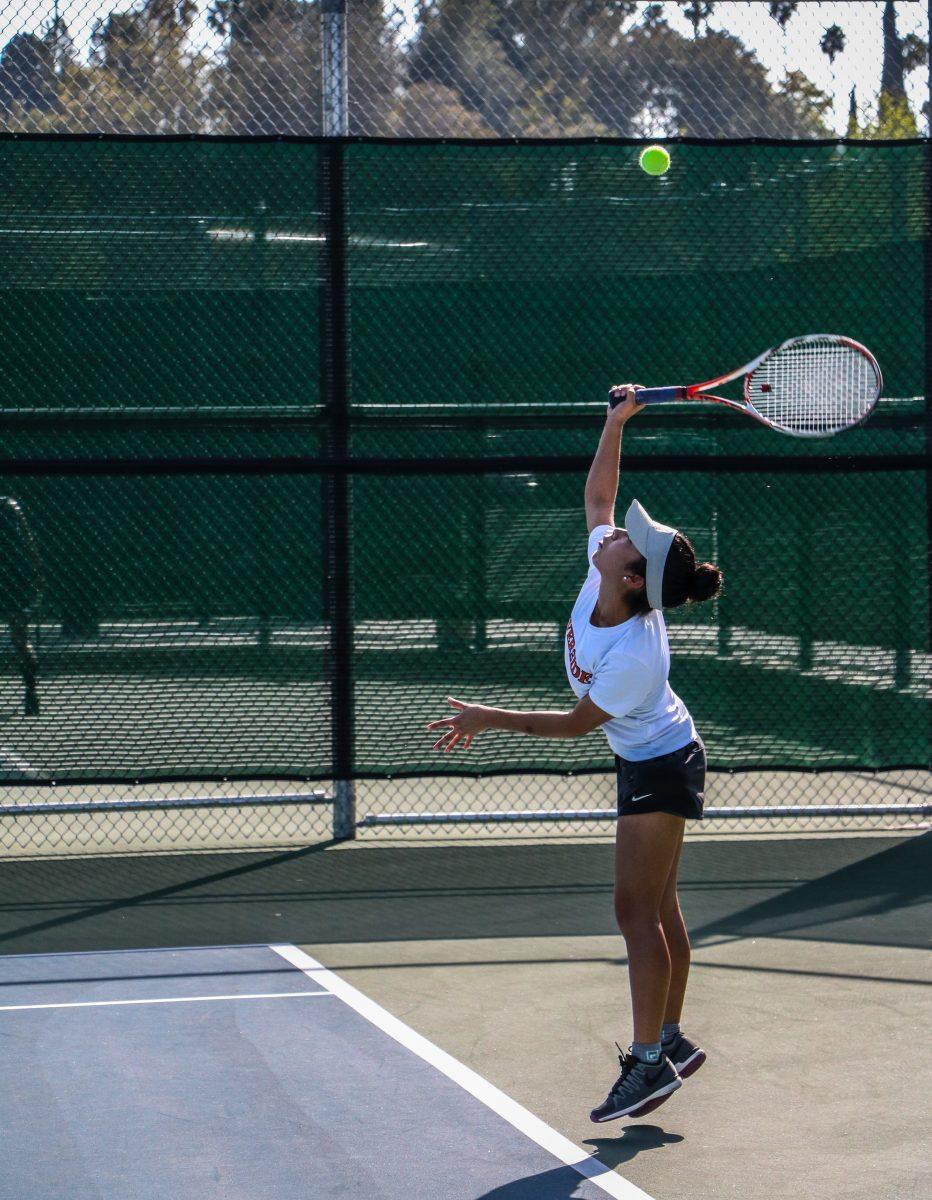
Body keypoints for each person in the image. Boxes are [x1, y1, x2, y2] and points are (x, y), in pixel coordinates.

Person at [426, 385, 723, 1123]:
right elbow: (598, 495)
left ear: (633, 580)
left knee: (634, 912)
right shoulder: (609, 567)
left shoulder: (634, 654)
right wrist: (614, 421)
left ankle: (650, 1061)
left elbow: (570, 726)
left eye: (631, 541)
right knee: (657, 907)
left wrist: (487, 718)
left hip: (660, 762)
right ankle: (673, 1040)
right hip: (651, 754)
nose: (618, 532)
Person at [0, 496, 43, 717]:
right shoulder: (12, 506)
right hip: (17, 578)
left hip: (13, 578)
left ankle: (30, 690)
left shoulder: (11, 506)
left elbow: (28, 542)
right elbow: (29, 543)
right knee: (20, 636)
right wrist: (36, 573)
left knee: (19, 636)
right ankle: (31, 691)